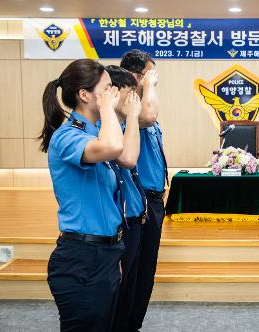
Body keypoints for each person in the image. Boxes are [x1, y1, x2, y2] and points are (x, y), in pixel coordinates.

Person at [39, 59, 125, 331]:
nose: (115, 94)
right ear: (85, 95)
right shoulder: (67, 137)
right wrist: (109, 109)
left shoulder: (96, 134)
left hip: (105, 253)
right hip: (81, 258)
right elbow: (112, 147)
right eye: (108, 89)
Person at [120, 49, 167, 330]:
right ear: (137, 75)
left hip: (154, 200)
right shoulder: (127, 105)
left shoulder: (143, 101)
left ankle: (133, 324)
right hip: (137, 201)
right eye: (150, 72)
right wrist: (148, 85)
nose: (154, 79)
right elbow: (148, 118)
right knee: (131, 272)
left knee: (146, 272)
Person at [104, 65, 149, 332]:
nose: (135, 99)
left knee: (130, 287)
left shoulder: (121, 125)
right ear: (116, 92)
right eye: (132, 92)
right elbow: (127, 159)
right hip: (119, 223)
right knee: (118, 292)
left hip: (134, 215)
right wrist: (133, 117)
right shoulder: (107, 128)